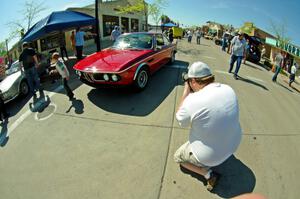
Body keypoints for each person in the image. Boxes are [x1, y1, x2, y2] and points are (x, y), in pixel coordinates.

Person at [174, 61, 242, 191]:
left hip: (210, 156)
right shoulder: (228, 89)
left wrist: (186, 92)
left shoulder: (192, 100)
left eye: (189, 81)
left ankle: (208, 174)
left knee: (178, 157)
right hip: (234, 143)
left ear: (193, 81)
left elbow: (180, 120)